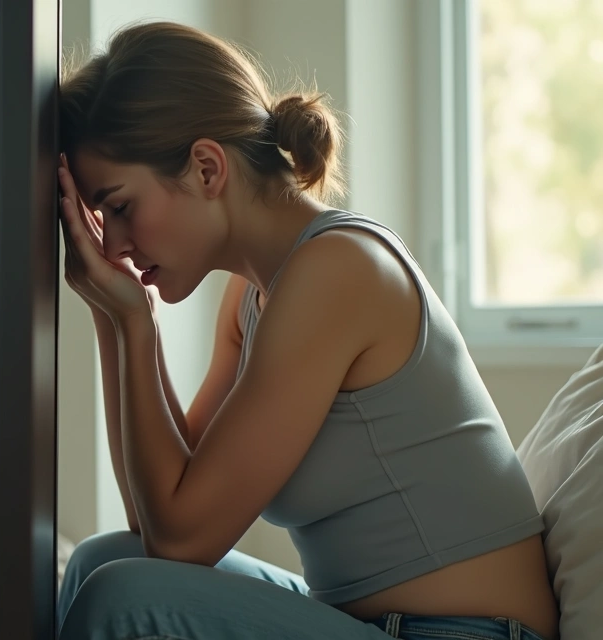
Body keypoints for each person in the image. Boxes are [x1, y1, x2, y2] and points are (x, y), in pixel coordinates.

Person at [55, 21, 560, 640]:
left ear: (207, 169)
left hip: (463, 633)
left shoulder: (336, 271)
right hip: (375, 624)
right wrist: (118, 314)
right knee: (98, 562)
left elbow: (180, 539)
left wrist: (132, 321)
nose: (113, 243)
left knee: (123, 593)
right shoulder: (253, 295)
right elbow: (152, 512)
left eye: (120, 206)